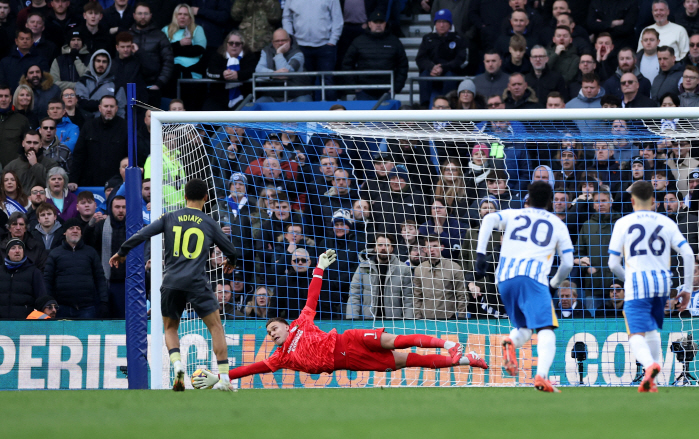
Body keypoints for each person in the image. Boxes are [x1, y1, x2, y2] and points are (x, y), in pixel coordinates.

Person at [193, 249, 488, 390]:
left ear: (285, 324)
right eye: (269, 333)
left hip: (349, 339)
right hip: (352, 362)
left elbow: (312, 298)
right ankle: (466, 360)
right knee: (409, 360)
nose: (271, 334)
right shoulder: (280, 358)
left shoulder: (301, 323)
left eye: (273, 328)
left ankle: (450, 344)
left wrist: (319, 267)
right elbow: (249, 369)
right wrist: (221, 377)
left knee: (395, 340)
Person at [109, 178, 237, 391]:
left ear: (184, 196)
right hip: (197, 282)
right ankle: (224, 378)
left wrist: (122, 251)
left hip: (171, 282)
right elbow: (231, 251)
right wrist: (230, 261)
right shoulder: (209, 222)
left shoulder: (169, 217)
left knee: (170, 328)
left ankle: (178, 366)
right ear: (206, 198)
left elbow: (142, 234)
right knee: (215, 327)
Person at [475, 181, 574, 392]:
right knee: (546, 328)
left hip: (505, 280)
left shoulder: (514, 214)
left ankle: (510, 341)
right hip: (533, 278)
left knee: (524, 329)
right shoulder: (557, 224)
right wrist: (553, 284)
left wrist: (480, 254)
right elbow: (568, 263)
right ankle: (542, 376)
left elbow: (489, 218)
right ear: (550, 201)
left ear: (528, 198)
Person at [607, 181, 695, 392]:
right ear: (654, 201)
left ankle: (649, 366)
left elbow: (613, 264)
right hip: (663, 283)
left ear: (632, 201)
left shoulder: (623, 223)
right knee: (651, 328)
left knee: (635, 333)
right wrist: (687, 288)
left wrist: (628, 279)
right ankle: (652, 380)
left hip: (638, 282)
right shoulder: (666, 222)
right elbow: (688, 253)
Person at [44, 217, 108, 318]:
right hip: (61, 308)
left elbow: (100, 279)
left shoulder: (91, 252)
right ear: (64, 232)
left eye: (78, 228)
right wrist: (49, 303)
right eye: (71, 228)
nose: (75, 231)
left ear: (81, 233)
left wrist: (104, 302)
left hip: (87, 308)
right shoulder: (55, 253)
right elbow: (47, 281)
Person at [282, 0, 343, 101]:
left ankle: (331, 110)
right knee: (305, 84)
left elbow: (337, 18)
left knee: (328, 83)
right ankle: (307, 111)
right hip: (301, 47)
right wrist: (291, 38)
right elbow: (286, 17)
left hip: (325, 46)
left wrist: (333, 40)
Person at [342, 10, 408, 100]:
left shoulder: (394, 42)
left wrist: (396, 87)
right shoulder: (358, 41)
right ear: (369, 24)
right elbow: (347, 64)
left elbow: (403, 65)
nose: (378, 25)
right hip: (363, 91)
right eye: (375, 22)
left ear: (385, 24)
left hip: (387, 91)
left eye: (381, 22)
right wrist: (355, 87)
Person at [346, 234, 414, 319]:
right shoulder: (363, 267)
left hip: (393, 321)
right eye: (380, 245)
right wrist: (352, 319)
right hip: (369, 321)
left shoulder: (403, 269)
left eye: (387, 245)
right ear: (375, 248)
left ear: (392, 248)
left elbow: (408, 299)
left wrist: (408, 322)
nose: (383, 248)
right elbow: (354, 296)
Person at [69, 95, 128, 187]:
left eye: (112, 106)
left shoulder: (125, 127)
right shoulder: (89, 126)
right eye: (106, 106)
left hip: (117, 182)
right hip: (90, 181)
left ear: (116, 109)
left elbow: (130, 156)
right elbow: (79, 155)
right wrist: (73, 180)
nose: (109, 109)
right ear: (100, 108)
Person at [415, 9, 467, 108]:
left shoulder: (458, 39)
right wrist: (432, 67)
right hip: (432, 73)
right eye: (439, 22)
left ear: (450, 24)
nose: (441, 25)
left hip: (450, 72)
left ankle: (448, 105)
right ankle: (424, 107)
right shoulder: (428, 38)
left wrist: (443, 67)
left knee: (450, 75)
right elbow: (420, 58)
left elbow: (460, 59)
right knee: (424, 75)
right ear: (435, 24)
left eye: (444, 22)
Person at [129, 2, 174, 107]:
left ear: (151, 15)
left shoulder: (160, 36)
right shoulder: (128, 36)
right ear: (134, 15)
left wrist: (159, 84)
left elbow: (168, 61)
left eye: (146, 13)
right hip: (132, 88)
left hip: (153, 88)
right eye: (140, 13)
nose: (143, 17)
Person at [203, 30, 259, 110]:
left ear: (242, 45)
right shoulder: (218, 55)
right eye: (231, 43)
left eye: (237, 43)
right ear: (226, 44)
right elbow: (210, 71)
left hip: (243, 98)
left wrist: (238, 75)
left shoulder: (249, 56)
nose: (234, 45)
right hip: (218, 98)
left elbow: (253, 71)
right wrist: (223, 74)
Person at [254, 28, 312, 103]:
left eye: (283, 40)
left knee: (305, 104)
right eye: (277, 41)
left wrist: (279, 53)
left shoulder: (298, 54)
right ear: (273, 42)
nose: (280, 43)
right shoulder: (266, 51)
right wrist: (273, 74)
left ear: (289, 40)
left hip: (297, 95)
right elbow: (258, 69)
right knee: (258, 104)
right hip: (272, 96)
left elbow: (284, 74)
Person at [75, 50, 127, 118]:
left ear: (108, 64)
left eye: (104, 62)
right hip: (86, 121)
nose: (101, 64)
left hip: (109, 122)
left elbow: (120, 108)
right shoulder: (83, 81)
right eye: (98, 61)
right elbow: (82, 104)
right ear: (93, 62)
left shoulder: (116, 84)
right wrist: (106, 104)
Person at [0, 84, 30, 168]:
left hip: (14, 169)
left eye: (6, 96)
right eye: (0, 96)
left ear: (11, 98)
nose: (3, 99)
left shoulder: (21, 120)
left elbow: (28, 145)